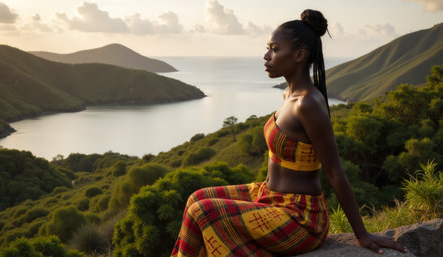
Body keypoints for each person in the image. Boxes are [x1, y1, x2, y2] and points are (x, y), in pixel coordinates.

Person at [171, 9, 408, 257]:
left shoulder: (308, 105)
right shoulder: (288, 95)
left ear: (299, 55)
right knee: (195, 198)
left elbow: (334, 171)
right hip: (270, 197)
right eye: (268, 48)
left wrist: (362, 233)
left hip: (300, 218)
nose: (266, 56)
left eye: (274, 49)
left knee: (203, 211)